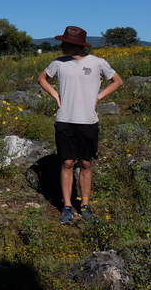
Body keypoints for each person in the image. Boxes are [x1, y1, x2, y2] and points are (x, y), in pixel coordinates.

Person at [37, 26, 123, 224]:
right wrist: (55, 95)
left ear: (75, 44)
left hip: (87, 122)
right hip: (64, 120)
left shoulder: (97, 63)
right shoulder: (58, 63)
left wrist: (98, 97)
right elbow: (42, 79)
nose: (61, 45)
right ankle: (67, 207)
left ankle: (85, 206)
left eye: (65, 42)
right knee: (67, 163)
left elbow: (117, 81)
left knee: (85, 163)